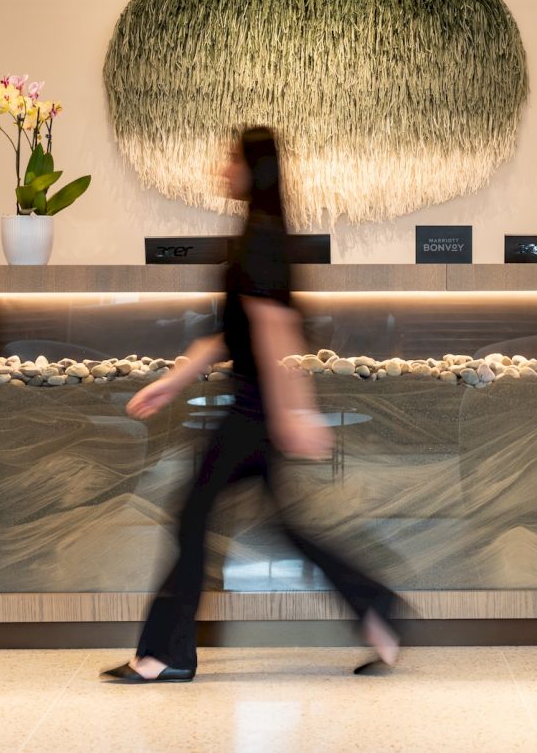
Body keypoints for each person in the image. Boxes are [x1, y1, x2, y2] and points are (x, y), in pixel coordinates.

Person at [101, 126, 401, 683]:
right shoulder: (257, 233)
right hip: (255, 408)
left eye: (230, 158)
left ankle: (164, 654)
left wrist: (295, 411)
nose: (223, 168)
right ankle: (376, 607)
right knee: (284, 527)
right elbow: (232, 335)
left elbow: (275, 327)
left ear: (251, 168)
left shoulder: (259, 236)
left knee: (191, 519)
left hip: (252, 412)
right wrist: (172, 382)